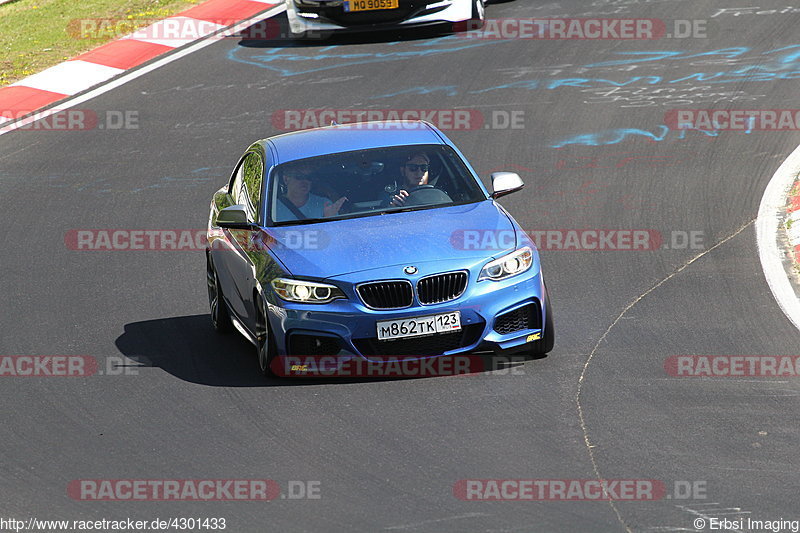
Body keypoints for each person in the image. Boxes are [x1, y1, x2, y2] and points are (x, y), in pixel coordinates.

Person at [275, 163, 347, 221]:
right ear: (286, 179)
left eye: (309, 177)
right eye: (299, 177)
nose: (305, 181)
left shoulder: (324, 204)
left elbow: (334, 235)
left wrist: (329, 219)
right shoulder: (274, 207)